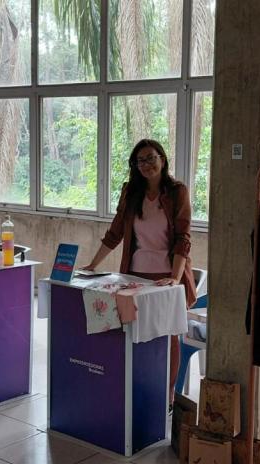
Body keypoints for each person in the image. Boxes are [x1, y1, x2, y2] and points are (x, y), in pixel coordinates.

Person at [82, 139, 196, 405]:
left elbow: (183, 238)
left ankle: (166, 396)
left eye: (150, 158)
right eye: (140, 161)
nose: (146, 165)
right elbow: (115, 233)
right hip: (134, 276)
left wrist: (175, 278)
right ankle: (136, 390)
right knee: (134, 333)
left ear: (162, 159)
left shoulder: (177, 192)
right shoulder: (130, 192)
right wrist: (93, 265)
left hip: (166, 277)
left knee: (168, 336)